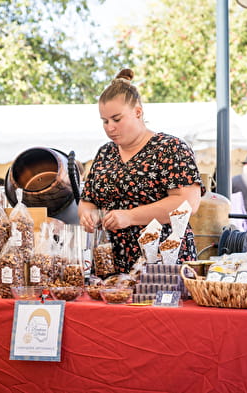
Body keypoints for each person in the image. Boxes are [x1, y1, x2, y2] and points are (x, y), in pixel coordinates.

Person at [78, 69, 205, 273]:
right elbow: (87, 200)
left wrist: (130, 216)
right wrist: (87, 215)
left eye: (117, 119)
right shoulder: (104, 153)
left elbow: (188, 203)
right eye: (105, 121)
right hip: (110, 266)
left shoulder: (170, 147)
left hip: (163, 266)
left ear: (138, 112)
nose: (110, 127)